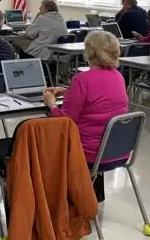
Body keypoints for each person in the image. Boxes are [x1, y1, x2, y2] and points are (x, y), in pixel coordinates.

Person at [42, 31, 128, 203]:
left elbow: (64, 122)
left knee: (39, 139)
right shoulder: (118, 77)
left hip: (88, 154)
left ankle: (51, 198)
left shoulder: (82, 79)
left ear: (89, 52)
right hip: (118, 151)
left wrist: (51, 103)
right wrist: (69, 91)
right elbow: (101, 96)